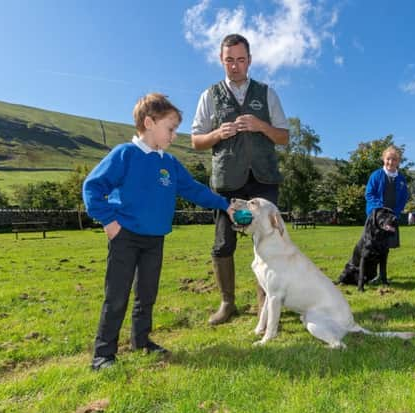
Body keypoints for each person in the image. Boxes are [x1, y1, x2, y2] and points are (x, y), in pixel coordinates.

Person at [83, 93, 234, 370]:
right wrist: (108, 221)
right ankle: (103, 355)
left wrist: (225, 205)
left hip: (155, 239)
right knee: (117, 295)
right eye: (171, 128)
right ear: (149, 123)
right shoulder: (125, 155)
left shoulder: (170, 163)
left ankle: (142, 341)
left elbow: (195, 190)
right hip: (125, 237)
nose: (175, 135)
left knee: (147, 294)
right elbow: (92, 187)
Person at [191, 33, 289, 325]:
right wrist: (218, 134)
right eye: (229, 60)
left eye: (241, 60)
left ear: (250, 60)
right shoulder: (209, 95)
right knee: (223, 244)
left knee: (269, 243)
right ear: (221, 60)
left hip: (263, 180)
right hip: (228, 183)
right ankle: (227, 303)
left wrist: (260, 126)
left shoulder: (267, 93)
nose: (235, 66)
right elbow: (196, 140)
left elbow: (283, 137)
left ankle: (265, 304)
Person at [364, 145, 409, 283]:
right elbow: (369, 194)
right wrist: (381, 210)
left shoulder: (401, 178)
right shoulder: (376, 175)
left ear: (398, 161)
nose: (391, 162)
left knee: (385, 248)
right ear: (384, 159)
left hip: (391, 219)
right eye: (388, 159)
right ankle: (367, 274)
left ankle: (382, 276)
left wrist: (395, 212)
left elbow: (404, 197)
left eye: (394, 159)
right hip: (377, 219)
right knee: (372, 247)